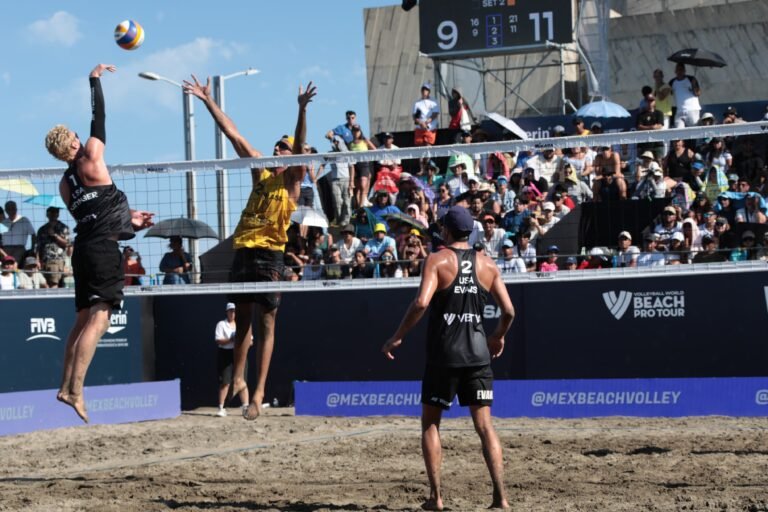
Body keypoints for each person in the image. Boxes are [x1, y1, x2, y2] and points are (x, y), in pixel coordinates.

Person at [184, 73, 317, 420]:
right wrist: (206, 100)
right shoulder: (260, 170)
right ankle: (241, 378)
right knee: (242, 320)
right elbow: (234, 134)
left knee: (268, 324)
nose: (278, 150)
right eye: (277, 146)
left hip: (271, 253)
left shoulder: (292, 177)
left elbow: (301, 145)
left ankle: (258, 393)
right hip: (244, 249)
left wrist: (301, 110)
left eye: (283, 148)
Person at [381, 206, 514, 511]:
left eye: (442, 227)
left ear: (448, 231)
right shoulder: (488, 264)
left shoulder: (437, 260)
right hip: (479, 354)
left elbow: (420, 303)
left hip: (444, 355)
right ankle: (500, 498)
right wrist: (498, 336)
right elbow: (509, 311)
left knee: (431, 424)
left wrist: (398, 335)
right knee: (485, 427)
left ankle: (436, 497)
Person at [44, 63, 154, 423]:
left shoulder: (65, 185)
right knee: (100, 319)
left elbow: (95, 214)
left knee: (80, 321)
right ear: (74, 143)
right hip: (103, 250)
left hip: (84, 251)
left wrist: (131, 219)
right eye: (78, 135)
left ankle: (64, 385)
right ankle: (75, 390)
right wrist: (94, 80)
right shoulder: (91, 153)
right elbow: (100, 117)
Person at [215, 303, 248, 417]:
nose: (232, 313)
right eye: (230, 311)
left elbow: (251, 341)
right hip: (226, 354)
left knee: (242, 381)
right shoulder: (221, 324)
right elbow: (218, 340)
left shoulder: (243, 324)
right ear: (227, 312)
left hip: (240, 354)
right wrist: (231, 339)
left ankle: (245, 408)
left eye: (234, 311)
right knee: (225, 382)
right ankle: (221, 408)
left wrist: (240, 342)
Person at [36, 206, 71, 287]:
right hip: (44, 261)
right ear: (47, 214)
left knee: (53, 285)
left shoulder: (63, 227)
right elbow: (38, 246)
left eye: (55, 212)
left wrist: (55, 235)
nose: (53, 214)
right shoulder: (42, 229)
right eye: (50, 213)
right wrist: (37, 260)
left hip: (56, 260)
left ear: (58, 214)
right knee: (44, 285)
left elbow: (67, 243)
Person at [670, 63, 701, 128]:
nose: (679, 72)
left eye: (681, 70)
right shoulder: (672, 82)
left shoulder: (691, 79)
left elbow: (698, 93)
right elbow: (668, 93)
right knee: (679, 133)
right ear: (675, 71)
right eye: (678, 70)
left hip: (692, 110)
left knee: (694, 131)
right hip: (679, 111)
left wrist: (693, 86)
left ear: (684, 71)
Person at [413, 82, 439, 146]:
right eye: (423, 89)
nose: (424, 91)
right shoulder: (417, 103)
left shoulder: (434, 101)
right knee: (420, 148)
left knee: (428, 147)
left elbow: (435, 114)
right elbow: (415, 117)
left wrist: (427, 122)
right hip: (420, 128)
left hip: (430, 129)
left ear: (429, 91)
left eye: (426, 90)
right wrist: (421, 123)